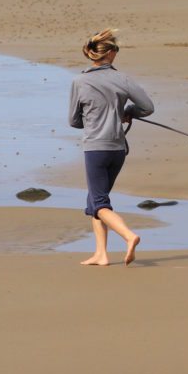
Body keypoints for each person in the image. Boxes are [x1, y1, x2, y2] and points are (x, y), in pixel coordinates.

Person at [68, 28, 154, 266]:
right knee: (95, 200)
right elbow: (147, 107)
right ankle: (101, 254)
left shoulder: (79, 81)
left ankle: (129, 236)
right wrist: (126, 112)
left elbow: (73, 121)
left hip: (96, 149)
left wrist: (94, 118)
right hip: (117, 150)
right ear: (111, 53)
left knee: (100, 202)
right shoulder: (122, 79)